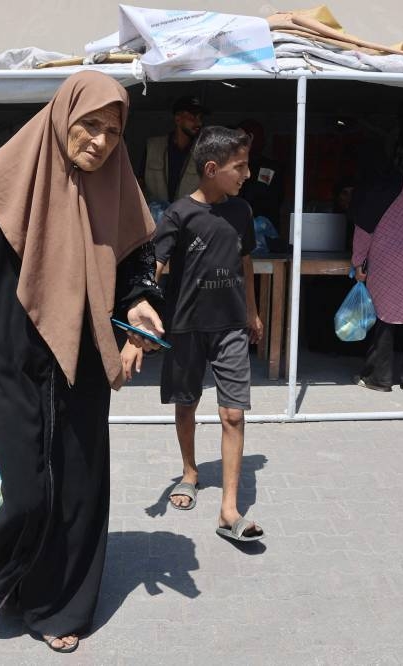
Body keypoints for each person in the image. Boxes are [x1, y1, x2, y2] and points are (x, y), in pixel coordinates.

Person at [0, 71, 164, 654]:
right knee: (25, 489)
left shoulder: (117, 186)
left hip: (85, 356)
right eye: (90, 125)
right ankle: (10, 568)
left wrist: (140, 305)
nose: (101, 141)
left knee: (81, 482)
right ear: (63, 116)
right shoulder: (8, 179)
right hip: (15, 352)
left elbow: (139, 261)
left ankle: (60, 602)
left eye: (113, 130)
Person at [125, 126, 264, 543]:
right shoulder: (179, 215)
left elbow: (245, 264)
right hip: (185, 328)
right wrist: (140, 321)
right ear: (211, 168)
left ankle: (229, 509)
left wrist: (253, 314)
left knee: (233, 413)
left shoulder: (242, 212)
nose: (247, 174)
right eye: (239, 167)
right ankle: (189, 473)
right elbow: (157, 267)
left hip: (230, 328)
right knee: (186, 406)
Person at [350, 141, 403, 393]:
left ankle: (379, 378)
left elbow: (363, 231)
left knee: (385, 317)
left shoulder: (369, 188)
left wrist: (357, 263)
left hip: (387, 260)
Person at [140, 95, 207, 204]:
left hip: (188, 217)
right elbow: (140, 182)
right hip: (155, 217)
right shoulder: (153, 146)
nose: (198, 123)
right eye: (193, 117)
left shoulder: (203, 151)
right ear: (177, 119)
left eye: (200, 118)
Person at [236, 119, 283, 223]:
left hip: (263, 227)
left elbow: (256, 195)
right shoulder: (231, 164)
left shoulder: (269, 167)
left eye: (240, 138)